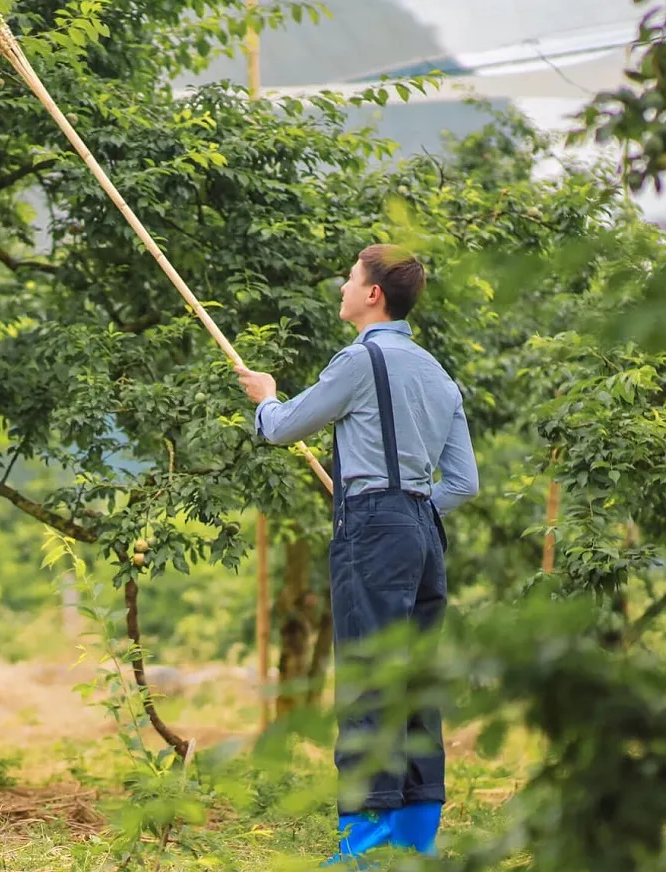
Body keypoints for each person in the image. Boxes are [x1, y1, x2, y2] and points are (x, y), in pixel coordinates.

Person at [235, 245, 479, 863]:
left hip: (374, 527)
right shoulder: (438, 373)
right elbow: (464, 484)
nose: (343, 287)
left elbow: (283, 427)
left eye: (350, 278)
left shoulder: (360, 360)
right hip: (424, 532)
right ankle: (416, 844)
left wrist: (265, 395)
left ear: (373, 294)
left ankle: (365, 850)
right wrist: (412, 507)